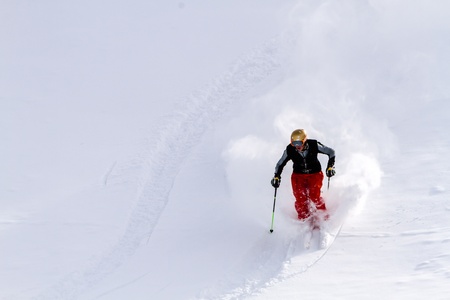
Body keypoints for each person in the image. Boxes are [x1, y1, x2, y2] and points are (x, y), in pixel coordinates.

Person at [271, 129, 336, 221]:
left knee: (315, 196)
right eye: (294, 143)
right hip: (298, 176)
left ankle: (324, 218)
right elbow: (280, 164)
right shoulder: (289, 149)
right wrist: (276, 176)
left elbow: (331, 152)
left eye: (299, 143)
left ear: (304, 141)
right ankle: (304, 219)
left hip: (315, 174)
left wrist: (330, 167)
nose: (297, 146)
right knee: (301, 199)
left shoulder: (314, 145)